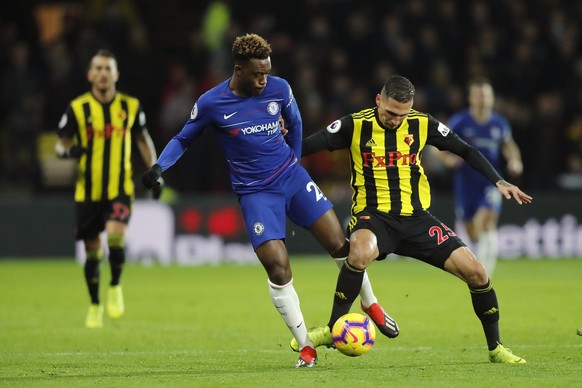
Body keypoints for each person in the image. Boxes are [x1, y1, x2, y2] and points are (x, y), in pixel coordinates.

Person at [141, 33, 397, 368]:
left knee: (340, 244)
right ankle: (306, 346)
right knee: (278, 267)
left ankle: (370, 303)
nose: (264, 79)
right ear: (239, 70)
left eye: (267, 71)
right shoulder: (211, 103)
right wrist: (159, 166)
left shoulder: (280, 89)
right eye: (258, 74)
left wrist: (295, 163)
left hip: (292, 179)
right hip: (256, 194)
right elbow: (183, 138)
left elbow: (297, 123)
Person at [297, 75, 532, 364]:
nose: (396, 120)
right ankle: (335, 328)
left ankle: (496, 348)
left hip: (417, 219)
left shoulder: (422, 123)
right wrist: (270, 150)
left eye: (402, 114)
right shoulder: (355, 124)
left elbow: (466, 150)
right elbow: (306, 145)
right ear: (378, 100)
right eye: (391, 113)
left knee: (477, 273)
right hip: (374, 217)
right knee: (358, 253)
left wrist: (499, 181)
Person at [55, 49, 160, 329]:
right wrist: (69, 152)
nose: (102, 73)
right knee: (92, 251)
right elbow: (59, 146)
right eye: (98, 68)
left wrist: (156, 172)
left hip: (119, 187)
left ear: (116, 74)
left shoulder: (131, 106)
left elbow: (143, 140)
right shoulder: (77, 109)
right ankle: (94, 305)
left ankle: (114, 285)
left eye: (107, 68)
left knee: (115, 237)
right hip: (87, 192)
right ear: (90, 74)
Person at [443, 77, 523, 276]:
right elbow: (439, 145)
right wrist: (447, 159)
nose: (482, 99)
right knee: (472, 230)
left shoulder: (499, 123)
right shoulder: (460, 121)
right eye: (478, 95)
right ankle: (480, 266)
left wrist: (515, 161)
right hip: (466, 182)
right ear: (470, 98)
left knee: (486, 221)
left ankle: (486, 275)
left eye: (486, 95)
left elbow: (509, 146)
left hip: (491, 182)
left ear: (492, 98)